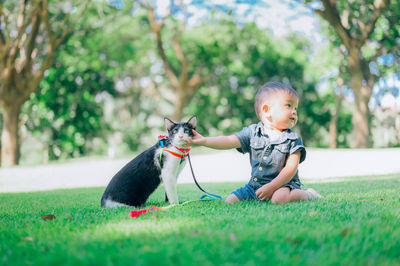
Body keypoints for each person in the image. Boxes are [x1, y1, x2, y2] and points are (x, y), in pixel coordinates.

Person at [186, 81, 322, 204]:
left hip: (283, 185)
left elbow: (290, 169)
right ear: (266, 110)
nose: (294, 111)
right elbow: (228, 140)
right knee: (230, 201)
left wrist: (272, 187)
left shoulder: (293, 138)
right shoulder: (252, 133)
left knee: (278, 199)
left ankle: (309, 194)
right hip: (255, 186)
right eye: (288, 105)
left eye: (295, 108)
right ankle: (265, 195)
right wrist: (204, 141)